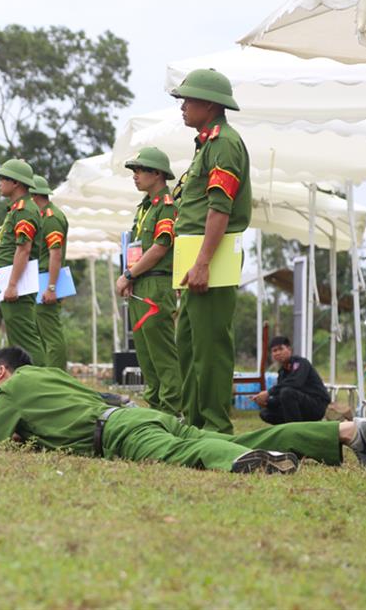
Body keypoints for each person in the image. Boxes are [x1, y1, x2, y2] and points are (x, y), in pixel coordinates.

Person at [0, 347, 366, 473]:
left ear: (1, 372)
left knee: (198, 455)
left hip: (122, 434)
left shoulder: (12, 390)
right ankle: (347, 432)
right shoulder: (47, 376)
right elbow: (52, 421)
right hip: (141, 417)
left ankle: (251, 464)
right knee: (240, 436)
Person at [169, 68, 252, 435]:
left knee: (210, 346)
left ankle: (215, 427)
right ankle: (194, 421)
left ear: (209, 104)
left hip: (210, 256)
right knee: (187, 343)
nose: (183, 107)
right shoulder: (207, 143)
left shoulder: (223, 144)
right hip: (195, 255)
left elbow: (220, 209)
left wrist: (202, 263)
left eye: (188, 100)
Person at [114, 148, 182, 416]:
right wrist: (131, 275)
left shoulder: (166, 207)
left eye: (140, 170)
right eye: (133, 171)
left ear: (157, 173)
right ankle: (156, 408)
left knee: (162, 354)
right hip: (140, 283)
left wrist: (129, 275)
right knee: (145, 353)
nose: (135, 176)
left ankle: (172, 410)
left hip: (156, 284)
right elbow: (136, 247)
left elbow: (160, 247)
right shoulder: (144, 208)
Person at [0, 159, 47, 365]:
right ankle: (28, 381)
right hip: (10, 277)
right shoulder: (16, 209)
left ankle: (42, 381)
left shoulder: (24, 210)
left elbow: (23, 249)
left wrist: (13, 285)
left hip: (17, 281)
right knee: (18, 337)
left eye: (3, 179)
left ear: (16, 183)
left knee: (26, 338)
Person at [29, 175, 70, 371]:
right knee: (42, 332)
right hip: (40, 279)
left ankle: (56, 377)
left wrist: (51, 287)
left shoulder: (51, 218)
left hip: (47, 280)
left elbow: (56, 254)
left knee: (51, 334)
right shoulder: (42, 216)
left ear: (34, 196)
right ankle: (48, 373)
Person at [251, 336, 329, 424]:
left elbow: (296, 382)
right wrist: (266, 402)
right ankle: (292, 429)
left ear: (289, 349)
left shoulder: (301, 363)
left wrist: (268, 392)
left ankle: (295, 433)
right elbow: (279, 398)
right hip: (298, 407)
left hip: (316, 405)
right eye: (274, 351)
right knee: (265, 413)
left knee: (287, 392)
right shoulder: (282, 373)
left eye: (281, 349)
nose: (278, 353)